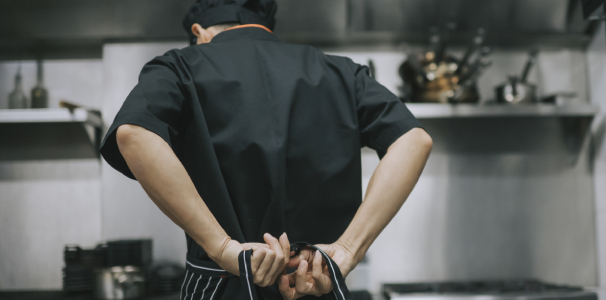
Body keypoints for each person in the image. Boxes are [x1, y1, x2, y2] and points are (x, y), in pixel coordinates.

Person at [99, 0, 432, 299]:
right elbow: (414, 140)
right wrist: (346, 250)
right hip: (316, 285)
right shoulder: (343, 72)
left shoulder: (179, 66)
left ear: (199, 32)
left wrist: (223, 247)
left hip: (222, 287)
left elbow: (134, 134)